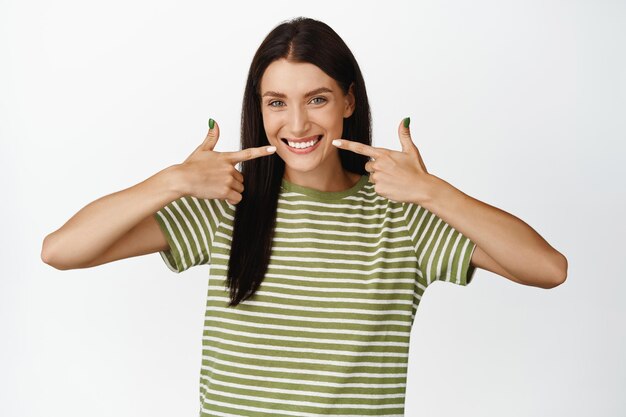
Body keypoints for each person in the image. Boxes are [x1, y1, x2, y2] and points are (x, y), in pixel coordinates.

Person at [42, 16, 568, 417]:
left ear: (348, 100)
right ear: (260, 108)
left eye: (316, 98)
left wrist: (434, 192)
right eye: (277, 102)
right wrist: (173, 180)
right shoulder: (228, 203)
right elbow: (62, 250)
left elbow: (547, 268)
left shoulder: (402, 216)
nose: (296, 123)